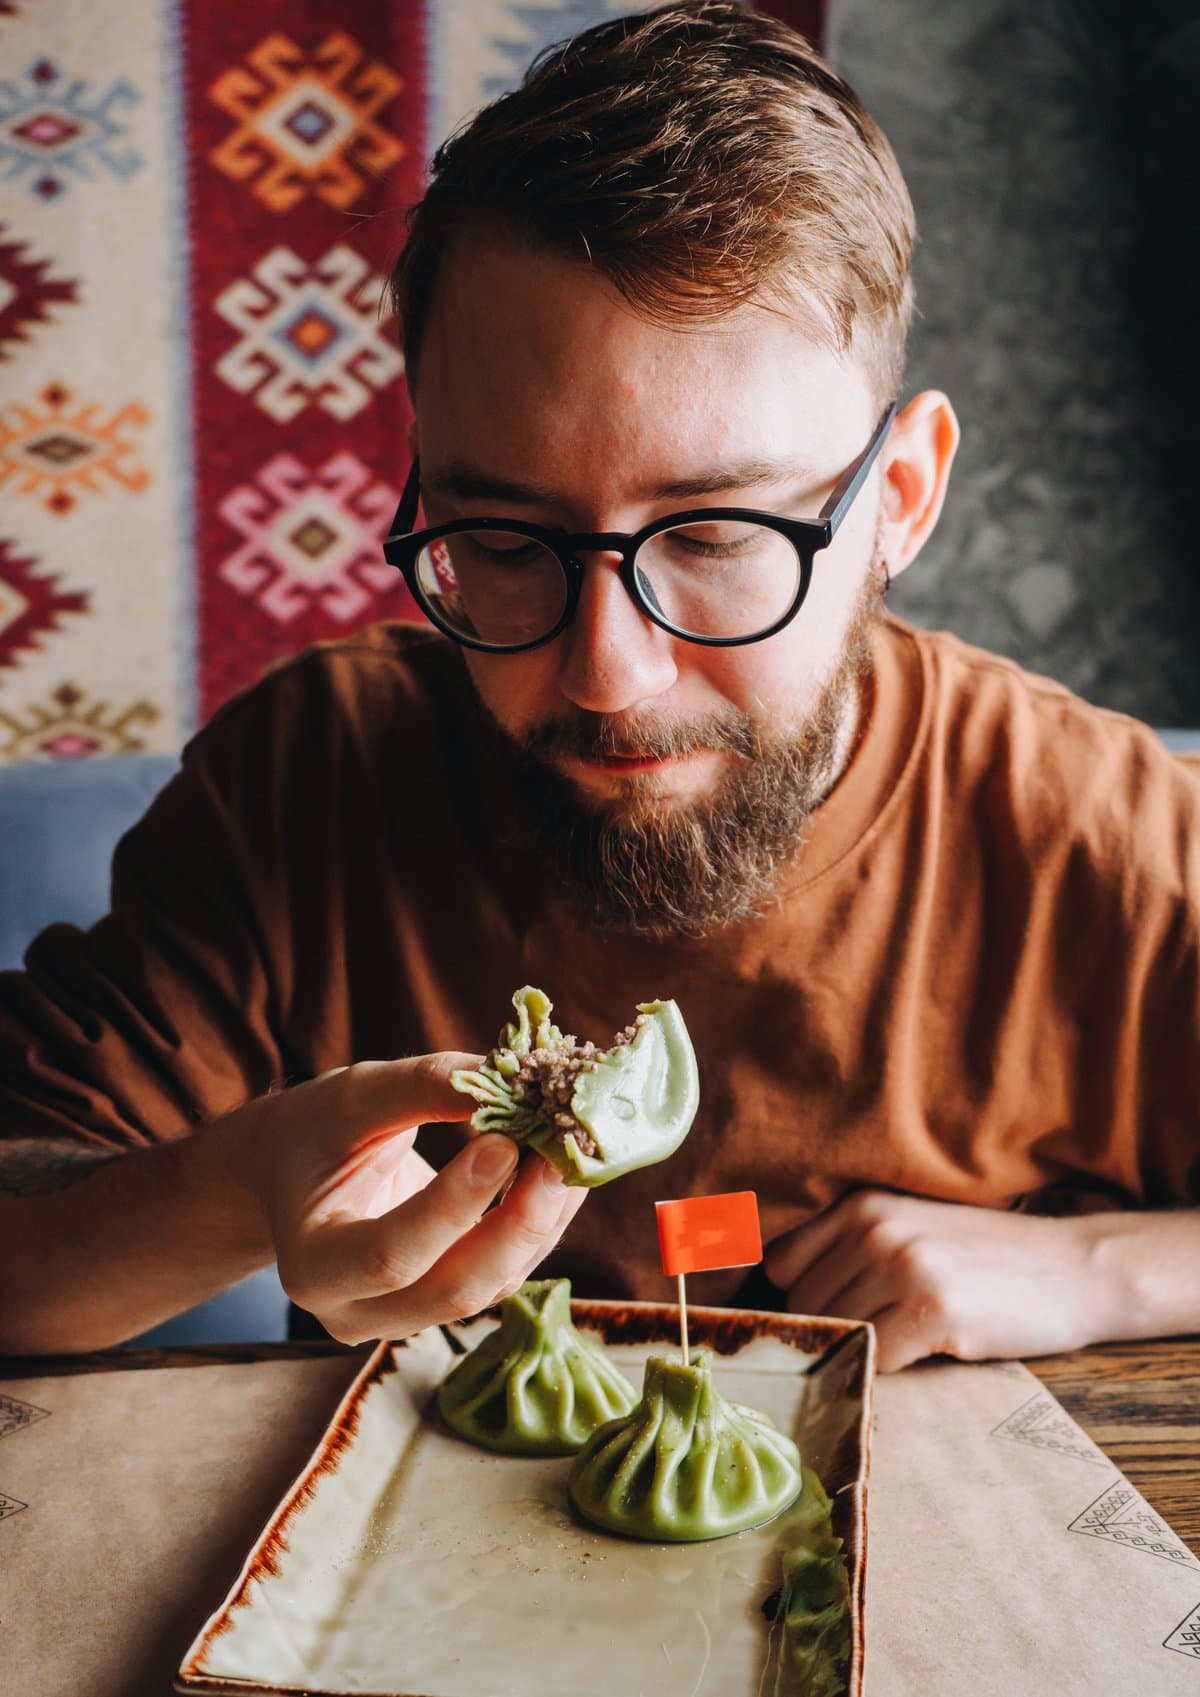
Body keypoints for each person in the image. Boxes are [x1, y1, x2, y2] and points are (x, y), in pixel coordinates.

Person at [2, 1, 1197, 1372]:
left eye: (714, 537)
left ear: (900, 503)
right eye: (505, 545)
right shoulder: (311, 779)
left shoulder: (1091, 832)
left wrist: (1102, 1268)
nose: (607, 672)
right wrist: (244, 1179)